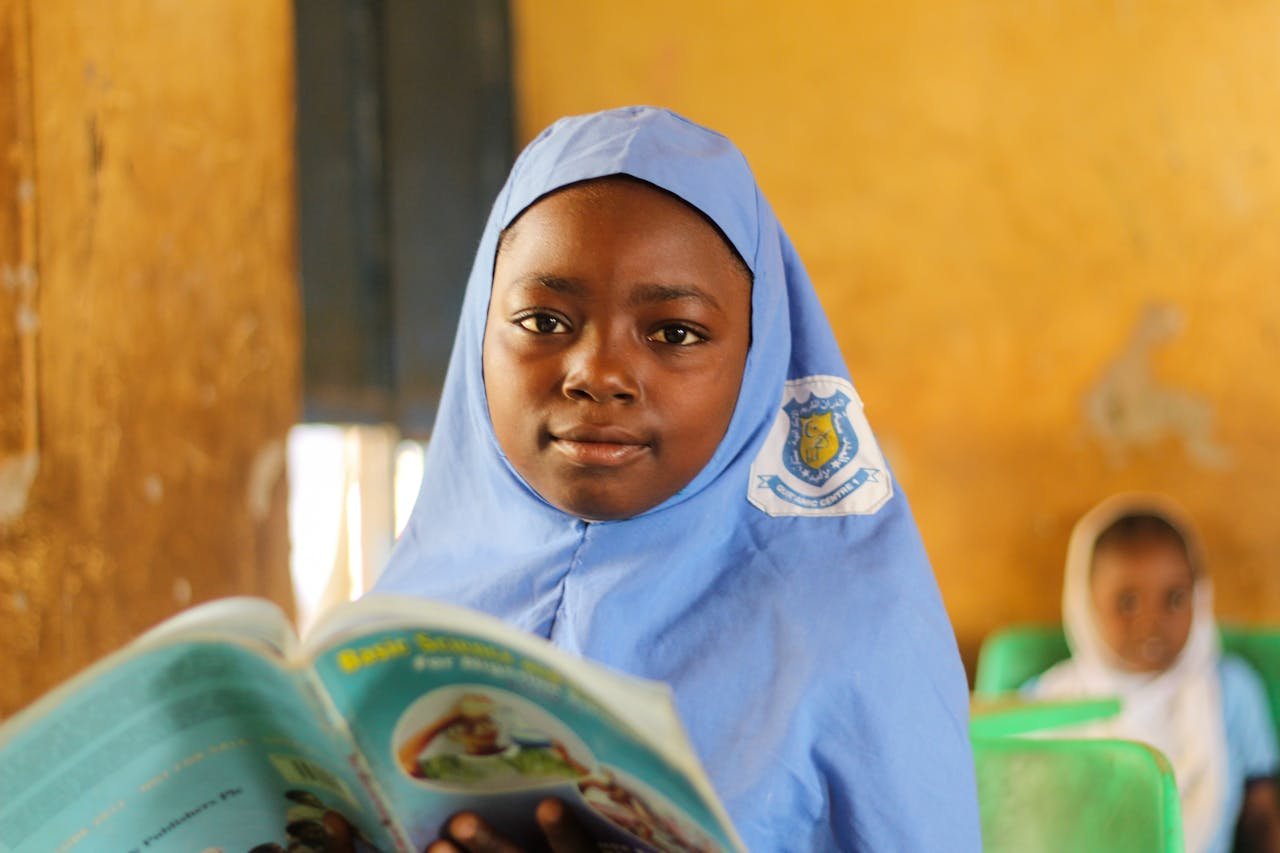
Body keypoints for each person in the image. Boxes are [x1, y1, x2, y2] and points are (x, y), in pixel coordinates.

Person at [375, 105, 981, 851]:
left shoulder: (855, 631)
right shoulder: (402, 611)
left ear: (760, 363)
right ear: (479, 331)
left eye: (675, 333)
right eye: (543, 321)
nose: (597, 374)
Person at [1030, 493, 1280, 853]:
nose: (1152, 622)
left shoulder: (1230, 690)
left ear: (1200, 594)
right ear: (1086, 602)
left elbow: (1261, 816)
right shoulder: (1048, 701)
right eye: (1127, 602)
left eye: (1175, 598)